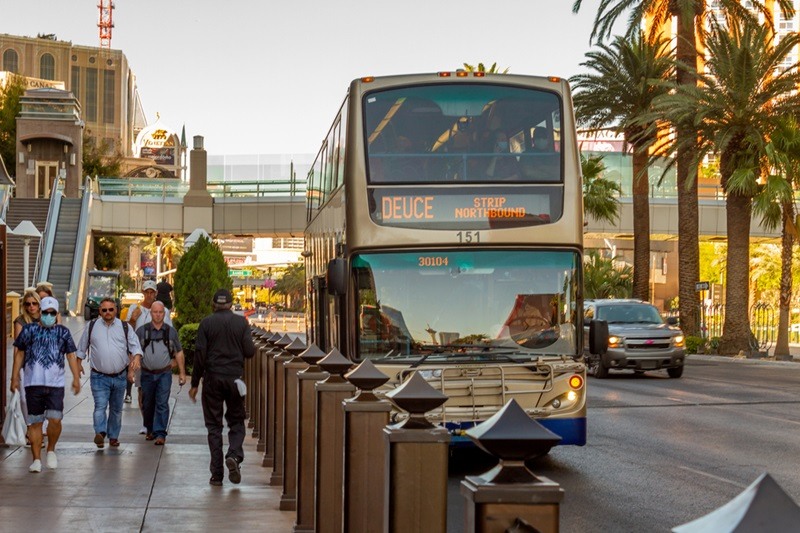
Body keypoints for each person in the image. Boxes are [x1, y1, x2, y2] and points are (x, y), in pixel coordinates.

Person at [189, 289, 256, 486]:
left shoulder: (206, 323)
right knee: (236, 420)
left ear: (214, 304)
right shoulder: (241, 322)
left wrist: (195, 383)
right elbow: (250, 352)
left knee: (214, 426)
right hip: (235, 379)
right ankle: (234, 455)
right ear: (230, 303)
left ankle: (216, 474)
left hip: (212, 379)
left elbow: (200, 355)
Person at [10, 297, 81, 473]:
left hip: (55, 384)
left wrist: (76, 378)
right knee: (35, 422)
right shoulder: (29, 330)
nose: (48, 316)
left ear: (56, 314)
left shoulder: (63, 332)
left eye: (52, 313)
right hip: (33, 383)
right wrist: (14, 378)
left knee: (55, 419)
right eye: (45, 312)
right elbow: (19, 354)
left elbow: (71, 355)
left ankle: (51, 449)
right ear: (40, 312)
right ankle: (36, 459)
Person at [77, 298, 142, 449]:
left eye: (110, 309)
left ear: (116, 310)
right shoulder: (92, 326)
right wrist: (78, 364)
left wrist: (137, 359)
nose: (107, 312)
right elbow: (81, 347)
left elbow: (135, 346)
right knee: (100, 406)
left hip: (119, 376)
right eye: (104, 310)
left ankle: (113, 436)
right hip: (99, 376)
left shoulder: (124, 327)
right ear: (100, 311)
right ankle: (100, 433)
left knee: (116, 409)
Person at [135, 301, 186, 445]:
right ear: (151, 313)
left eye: (160, 312)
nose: (157, 315)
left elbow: (179, 352)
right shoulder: (142, 331)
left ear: (164, 314)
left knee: (162, 402)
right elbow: (134, 351)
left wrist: (182, 372)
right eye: (155, 312)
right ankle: (150, 429)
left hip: (164, 373)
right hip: (146, 373)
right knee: (147, 403)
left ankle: (160, 433)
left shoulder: (171, 332)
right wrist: (132, 370)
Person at [12, 290, 42, 444]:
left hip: (43, 366)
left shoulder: (46, 319)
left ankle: (38, 430)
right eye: (28, 304)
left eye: (34, 303)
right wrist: (14, 374)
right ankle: (30, 428)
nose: (31, 306)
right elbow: (18, 348)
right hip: (26, 365)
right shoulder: (20, 321)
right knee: (25, 399)